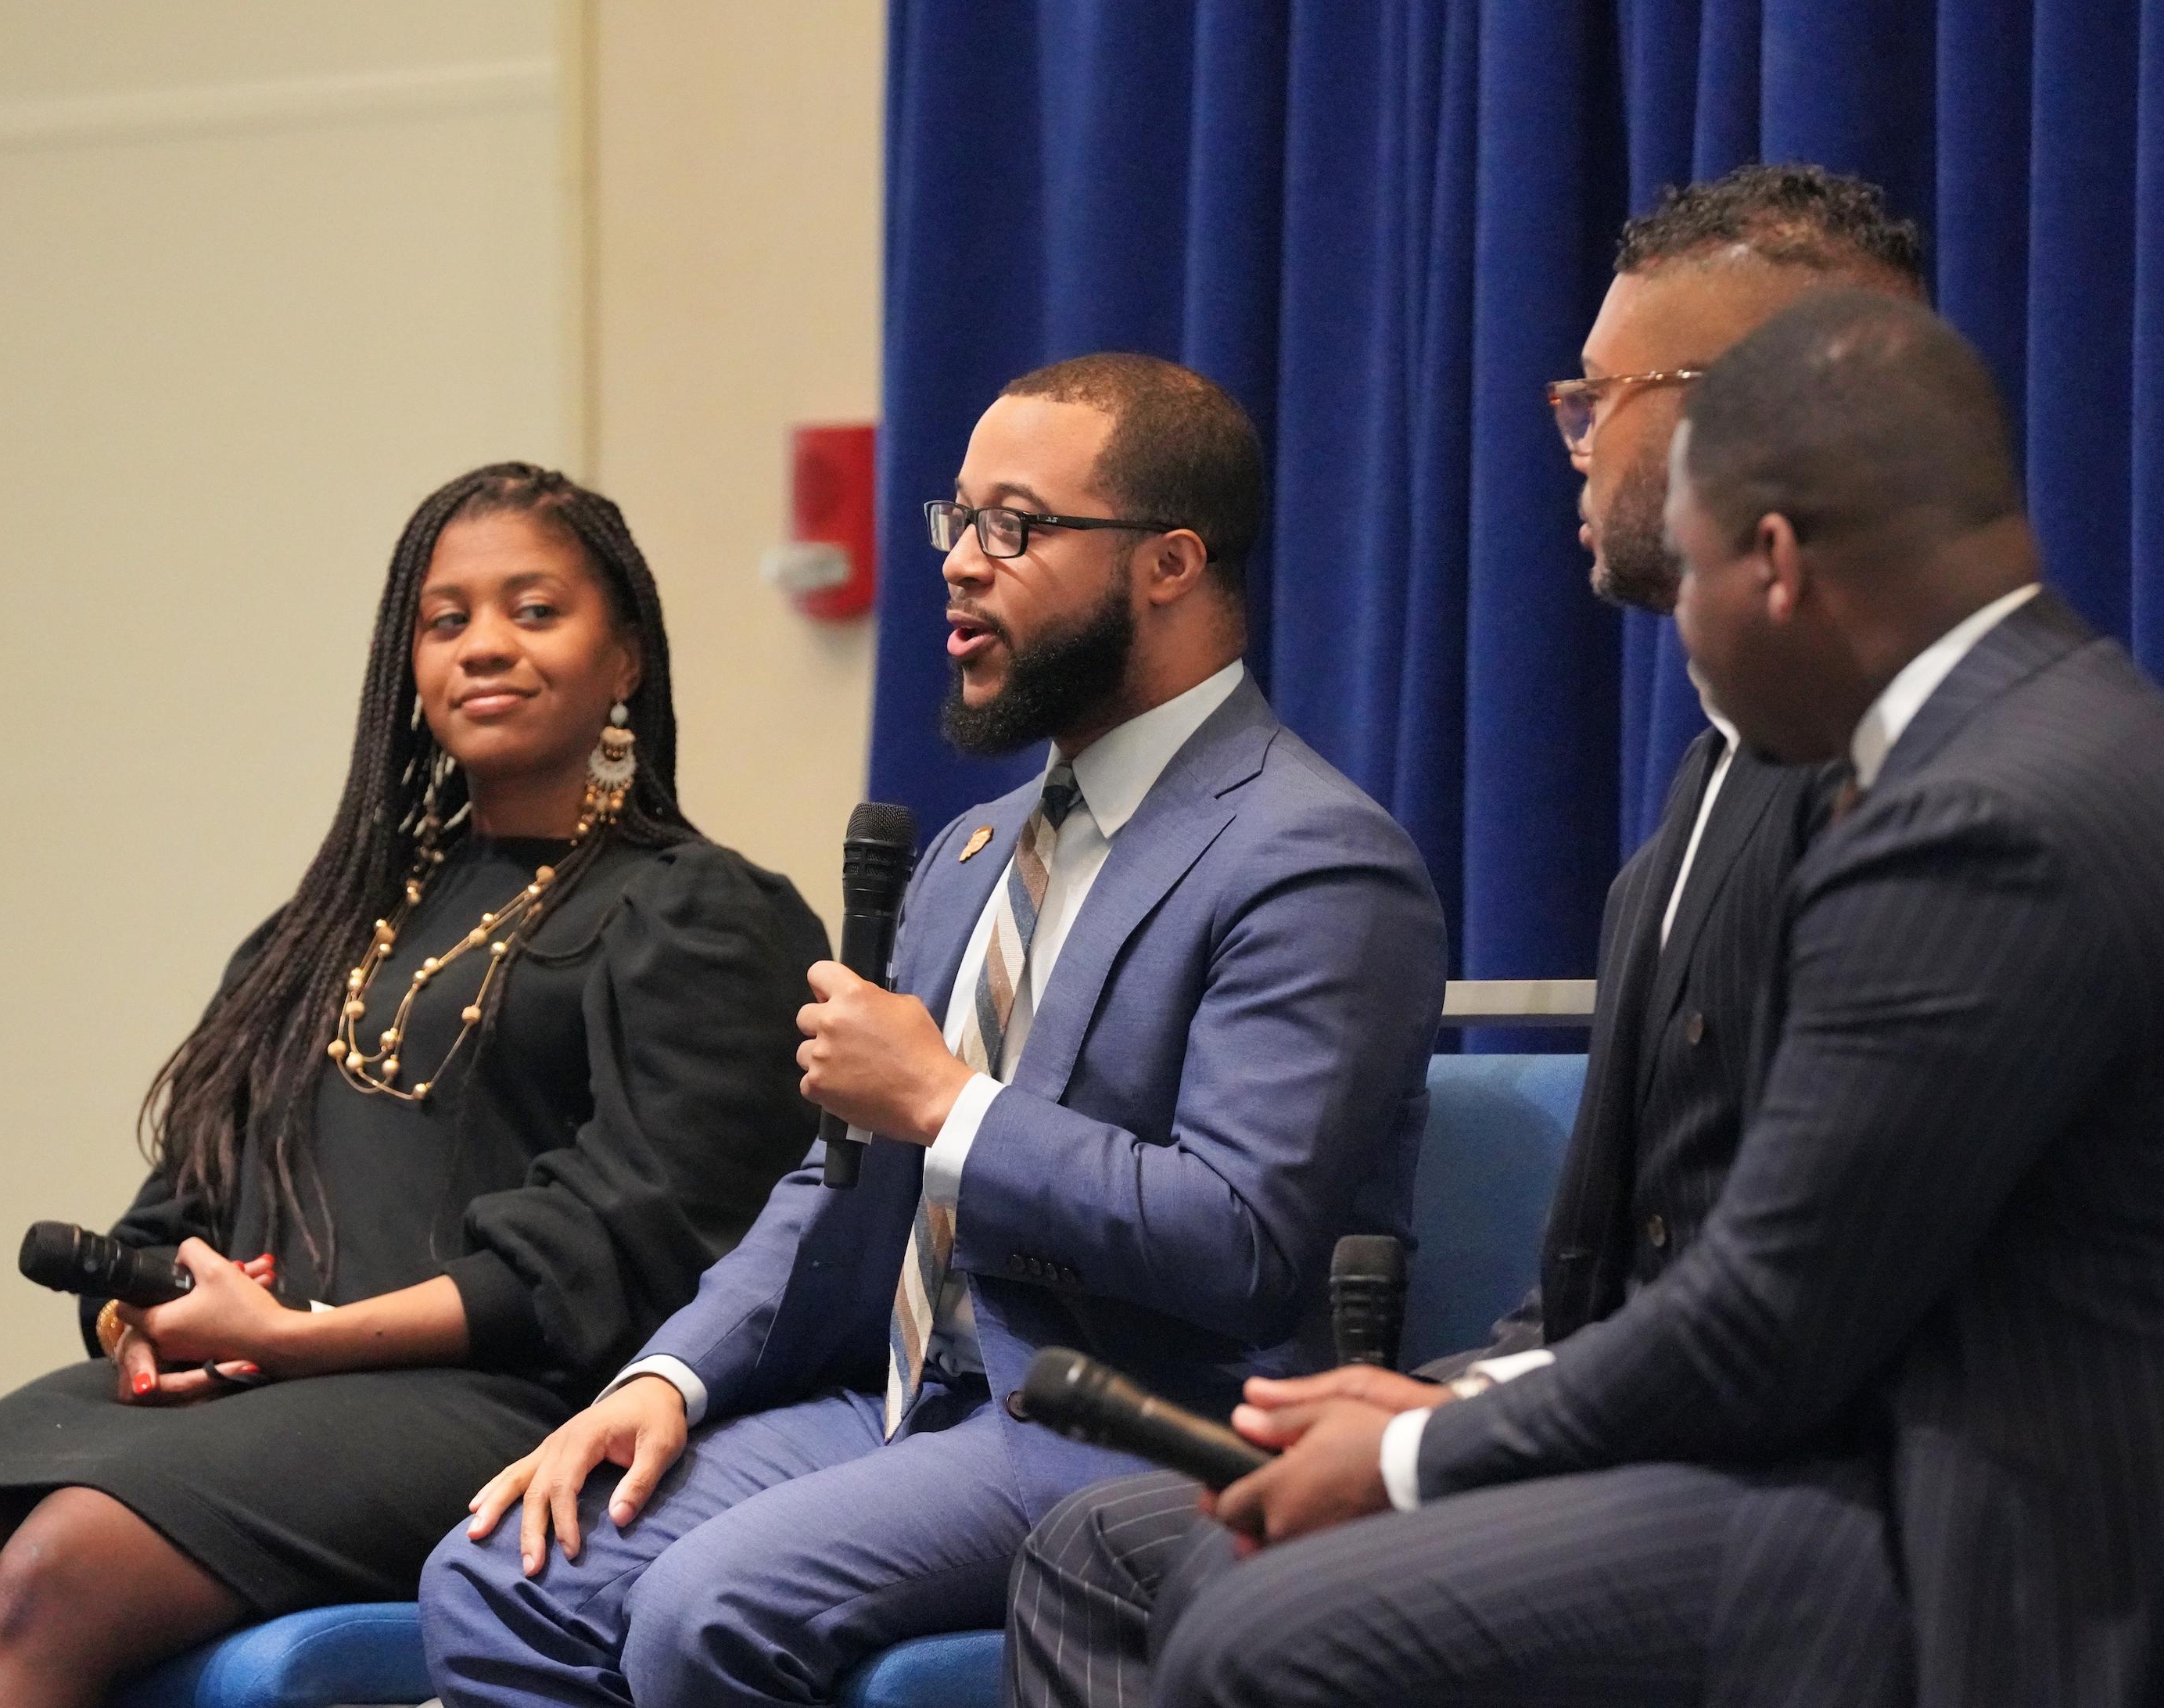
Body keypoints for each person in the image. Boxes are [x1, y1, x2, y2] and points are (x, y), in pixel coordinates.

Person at [1152, 292, 2164, 1706]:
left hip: (1984, 1540)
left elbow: (1765, 1316)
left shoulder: (1970, 824)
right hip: (1873, 1450)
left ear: (1776, 563)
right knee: (1242, 1575)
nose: (1680, 628)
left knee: (1262, 1635)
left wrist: (1409, 1452)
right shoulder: (2079, 722)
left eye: (1685, 576)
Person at [1003, 164, 1926, 1708]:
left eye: (1598, 401)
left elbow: (1798, 1305)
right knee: (1122, 1536)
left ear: (1736, 412)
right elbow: (1610, 1277)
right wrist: (1431, 1394)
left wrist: (1434, 1443)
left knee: (1218, 1596)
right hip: (1640, 1431)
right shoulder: (1697, 808)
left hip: (1818, 1496)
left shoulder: (1909, 809)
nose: (1570, 446)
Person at [418, 354, 1448, 1708]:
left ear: (1172, 563)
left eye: (1014, 527)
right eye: (954, 521)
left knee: (700, 1607)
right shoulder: (974, 851)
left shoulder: (1311, 858)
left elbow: (1241, 1239)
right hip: (907, 1401)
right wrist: (672, 1373)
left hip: (1127, 1420)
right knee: (500, 1573)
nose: (961, 565)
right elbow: (832, 1182)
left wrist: (951, 1104)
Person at [0, 466, 825, 1708]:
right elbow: (185, 1198)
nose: (486, 645)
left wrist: (307, 1340)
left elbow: (632, 1246)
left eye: (535, 611)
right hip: (260, 1387)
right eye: (448, 619)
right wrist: (141, 1322)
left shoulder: (698, 910)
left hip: (505, 1404)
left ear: (625, 655)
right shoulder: (329, 923)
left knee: (59, 1566)